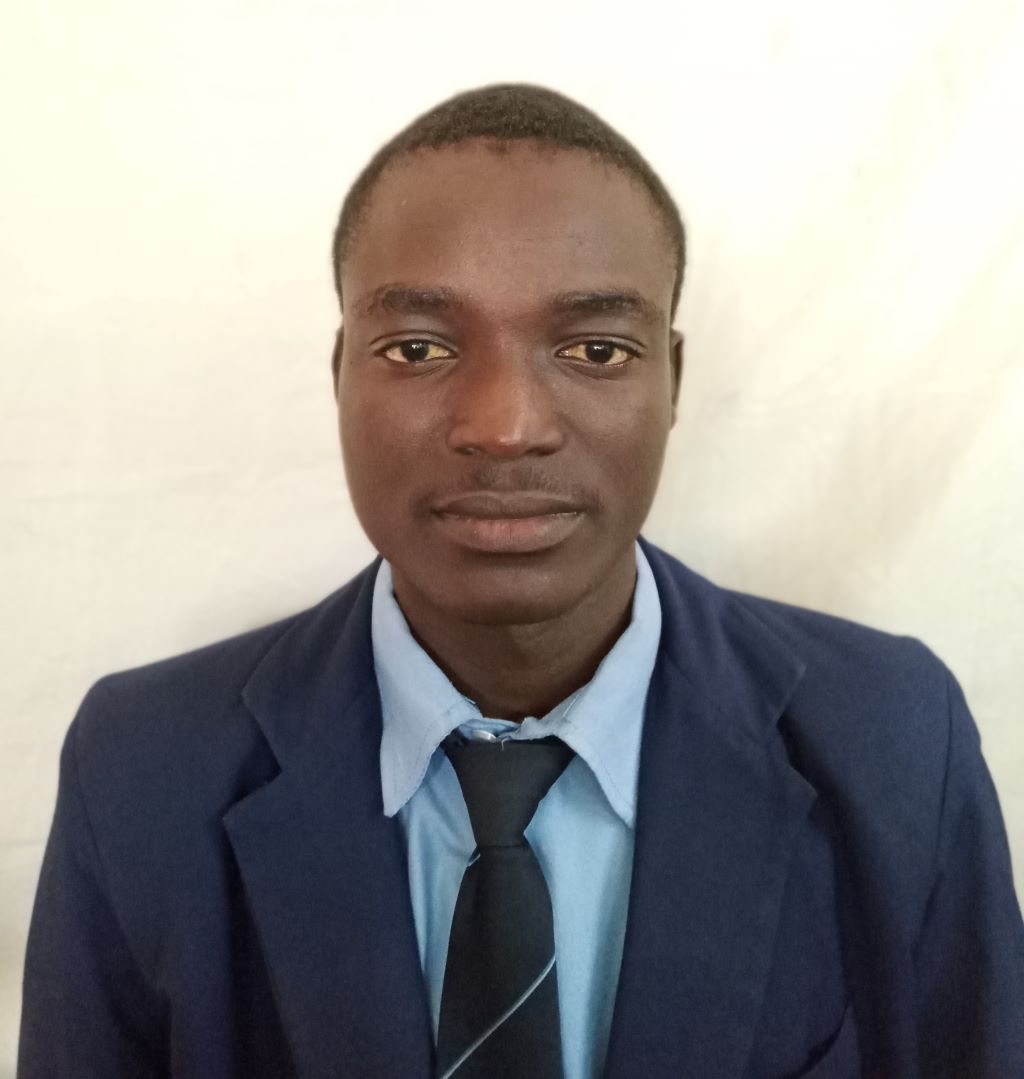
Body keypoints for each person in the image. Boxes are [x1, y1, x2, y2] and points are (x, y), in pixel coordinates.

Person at [18, 83, 1024, 1079]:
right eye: (418, 347)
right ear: (340, 374)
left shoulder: (895, 739)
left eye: (595, 349)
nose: (505, 425)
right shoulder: (142, 767)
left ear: (672, 380)